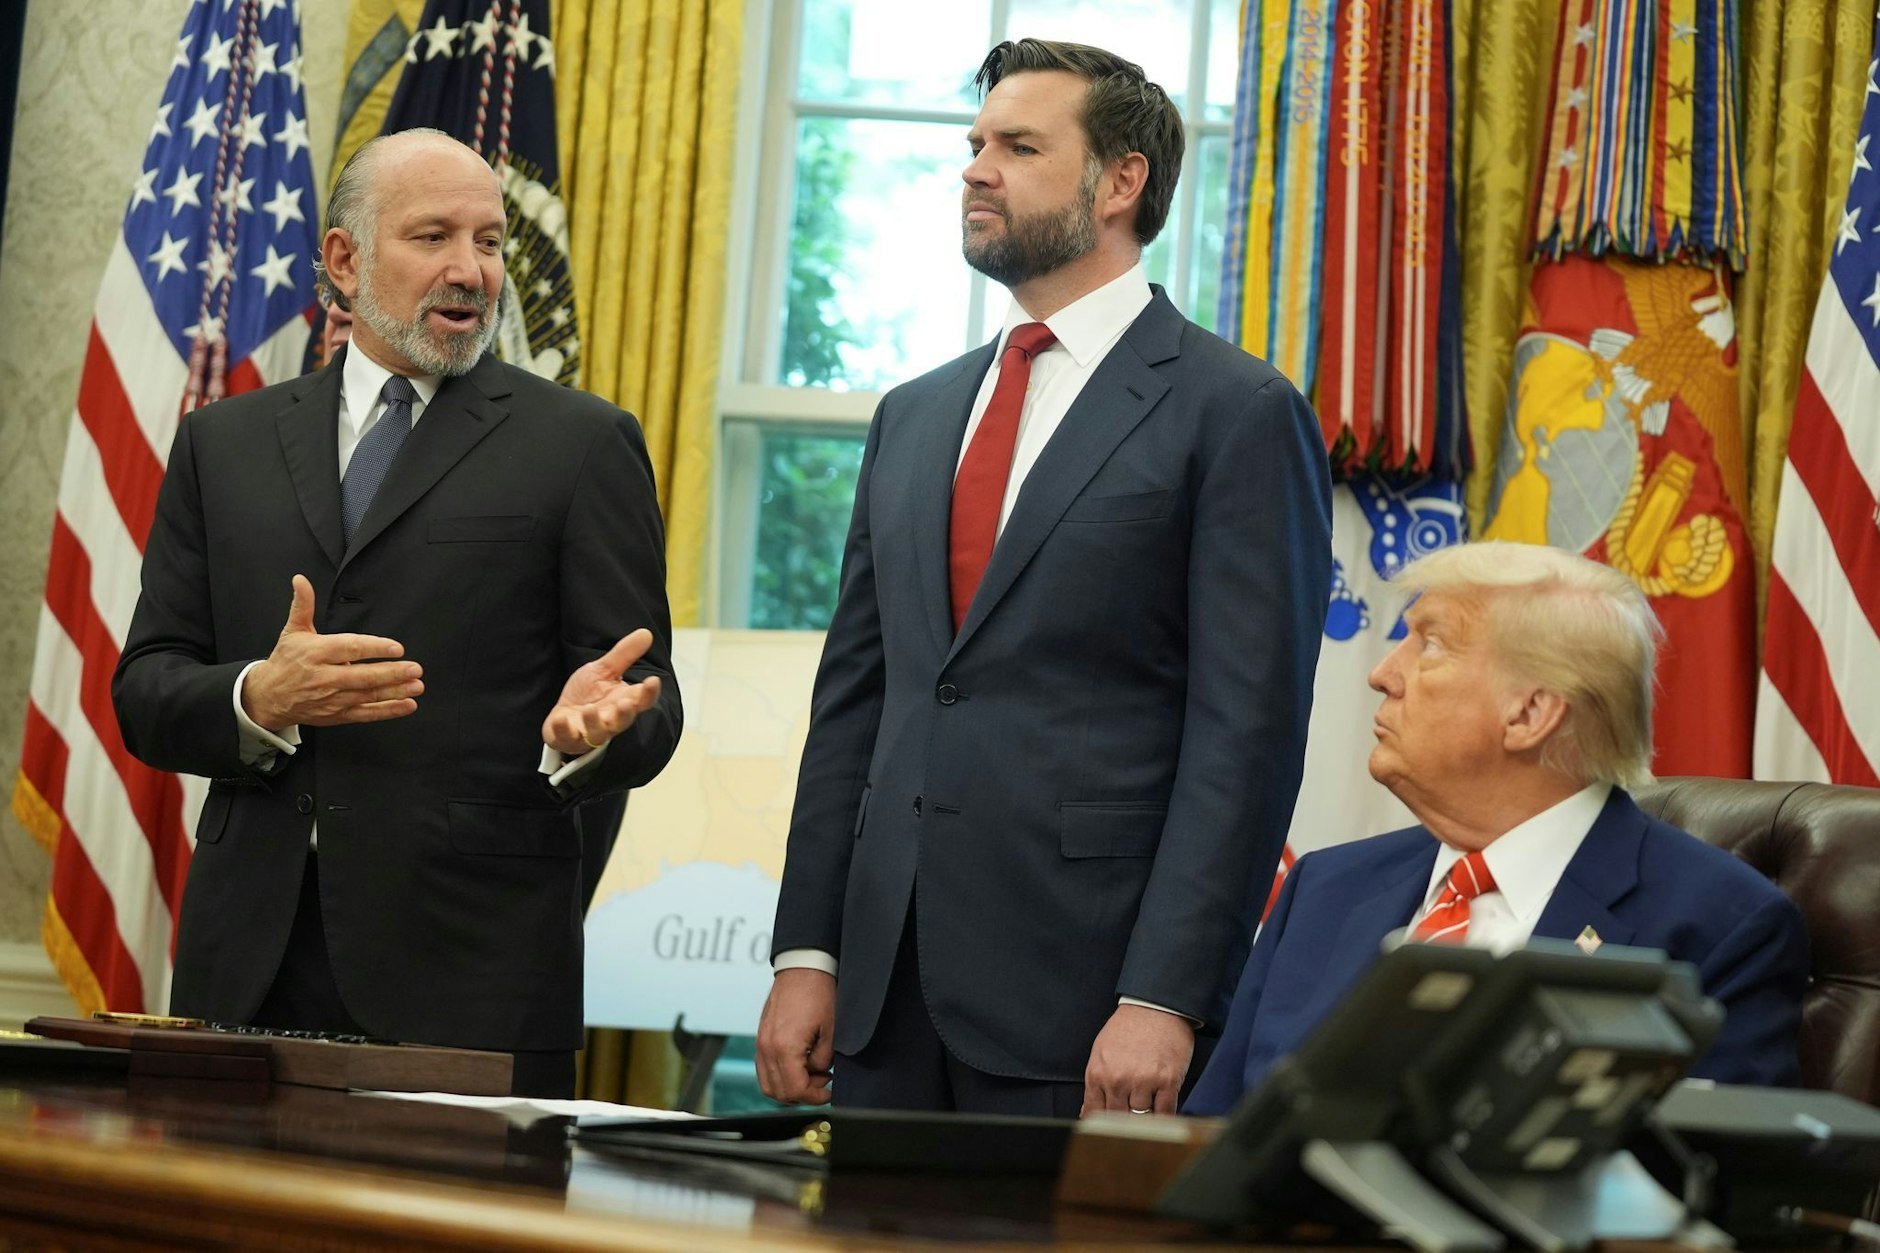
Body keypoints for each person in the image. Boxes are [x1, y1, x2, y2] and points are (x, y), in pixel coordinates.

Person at [755, 39, 1333, 1117]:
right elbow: (857, 705)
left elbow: (1245, 738)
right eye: (976, 142)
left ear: (1121, 182)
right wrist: (808, 951)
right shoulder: (912, 414)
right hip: (878, 1002)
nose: (975, 169)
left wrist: (1164, 992)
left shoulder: (1237, 411)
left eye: (1019, 147)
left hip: (1088, 1004)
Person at [111, 128, 681, 1098]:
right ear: (345, 259)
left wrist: (591, 735)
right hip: (246, 970)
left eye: (490, 242)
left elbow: (644, 699)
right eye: (433, 237)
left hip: (472, 977)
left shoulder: (583, 445)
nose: (471, 270)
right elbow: (146, 688)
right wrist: (258, 697)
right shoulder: (222, 444)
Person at [1185, 542, 1809, 1115]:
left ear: (1530, 713)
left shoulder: (1717, 929)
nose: (1383, 674)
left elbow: (1701, 1180)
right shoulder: (1324, 889)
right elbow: (1206, 1144)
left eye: (1429, 644)